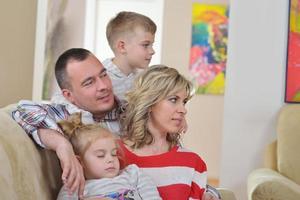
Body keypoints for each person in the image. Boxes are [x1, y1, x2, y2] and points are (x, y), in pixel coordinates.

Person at [12, 48, 123, 198]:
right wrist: (62, 145)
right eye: (89, 83)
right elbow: (21, 111)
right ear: (69, 95)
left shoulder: (129, 109)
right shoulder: (67, 116)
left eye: (103, 75)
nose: (103, 86)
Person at [119, 65, 221, 200]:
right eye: (173, 100)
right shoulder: (113, 155)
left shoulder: (193, 163)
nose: (183, 110)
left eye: (184, 102)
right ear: (150, 102)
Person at [56, 113, 161, 200]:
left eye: (114, 154)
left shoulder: (132, 174)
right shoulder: (74, 187)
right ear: (80, 162)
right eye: (101, 155)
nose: (111, 159)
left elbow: (152, 196)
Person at [103, 11, 156, 101]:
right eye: (145, 45)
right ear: (122, 47)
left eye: (152, 45)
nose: (152, 51)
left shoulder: (143, 78)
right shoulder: (102, 79)